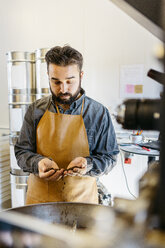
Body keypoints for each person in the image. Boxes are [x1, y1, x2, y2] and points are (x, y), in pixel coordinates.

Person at [15, 45, 119, 205]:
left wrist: (88, 164)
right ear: (48, 76)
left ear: (81, 75)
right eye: (56, 82)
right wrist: (37, 163)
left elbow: (110, 157)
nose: (63, 89)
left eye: (70, 81)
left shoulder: (98, 113)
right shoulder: (35, 110)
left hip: (82, 203)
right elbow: (22, 152)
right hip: (40, 202)